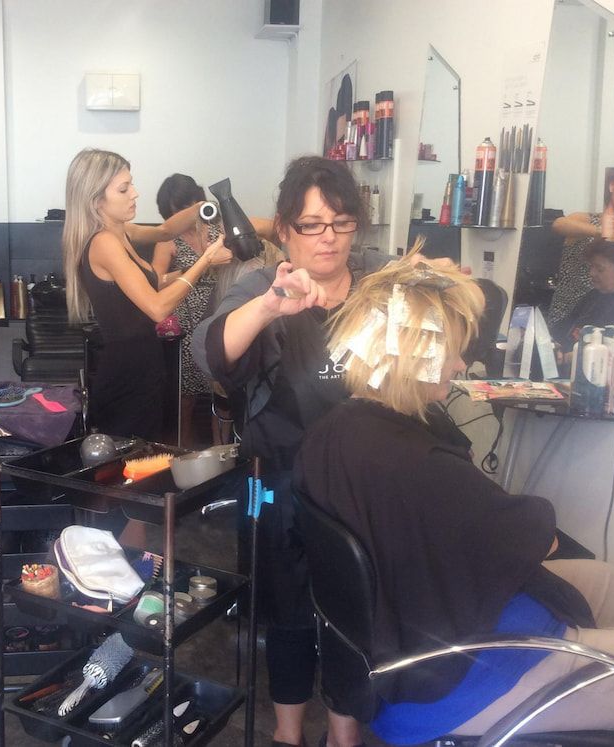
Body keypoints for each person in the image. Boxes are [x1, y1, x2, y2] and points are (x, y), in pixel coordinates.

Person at [294, 256, 614, 746]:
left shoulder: (334, 430)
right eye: (451, 350)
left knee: (608, 582)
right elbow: (541, 541)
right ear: (414, 352)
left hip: (401, 644)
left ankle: (598, 709)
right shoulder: (420, 464)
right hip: (447, 686)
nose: (460, 363)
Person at [192, 155, 389, 747]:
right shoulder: (261, 286)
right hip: (274, 473)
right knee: (286, 604)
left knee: (354, 607)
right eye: (311, 224)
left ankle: (344, 734)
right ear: (284, 229)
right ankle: (287, 733)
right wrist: (272, 305)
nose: (327, 238)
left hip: (357, 478)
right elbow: (210, 356)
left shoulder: (377, 287)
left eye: (341, 222)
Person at [63, 149, 232, 443]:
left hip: (145, 365)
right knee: (129, 467)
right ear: (96, 200)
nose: (135, 194)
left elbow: (166, 231)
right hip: (127, 373)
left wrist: (201, 207)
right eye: (124, 188)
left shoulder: (121, 232)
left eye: (132, 184)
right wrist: (204, 261)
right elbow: (156, 307)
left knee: (145, 460)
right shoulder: (104, 243)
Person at [152, 174, 276, 448]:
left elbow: (273, 232)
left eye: (193, 206)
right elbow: (156, 281)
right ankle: (182, 450)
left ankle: (219, 450)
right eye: (179, 212)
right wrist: (199, 266)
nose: (188, 216)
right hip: (185, 319)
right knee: (186, 396)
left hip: (223, 308)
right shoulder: (168, 240)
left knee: (223, 389)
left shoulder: (221, 227)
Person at [549, 239, 614, 362]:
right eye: (591, 267)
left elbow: (607, 355)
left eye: (599, 269)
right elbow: (563, 329)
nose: (592, 273)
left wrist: (572, 357)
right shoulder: (592, 296)